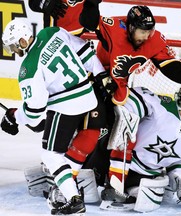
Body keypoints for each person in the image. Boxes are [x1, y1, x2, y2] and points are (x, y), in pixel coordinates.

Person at [79, 3, 181, 201]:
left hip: (119, 91)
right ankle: (73, 172)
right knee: (92, 132)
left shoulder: (152, 40)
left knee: (118, 130)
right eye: (142, 32)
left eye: (150, 31)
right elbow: (87, 22)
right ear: (130, 27)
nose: (147, 36)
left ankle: (109, 181)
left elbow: (168, 66)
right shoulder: (114, 28)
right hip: (93, 86)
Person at [1, 18, 105, 215]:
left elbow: (34, 113)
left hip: (68, 106)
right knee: (74, 141)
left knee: (50, 155)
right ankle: (68, 185)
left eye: (15, 45)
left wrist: (14, 117)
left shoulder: (28, 69)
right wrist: (100, 74)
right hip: (89, 95)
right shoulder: (51, 32)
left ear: (23, 40)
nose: (15, 50)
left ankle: (73, 199)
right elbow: (84, 50)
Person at [100, 86, 181, 211]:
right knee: (121, 136)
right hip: (121, 164)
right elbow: (137, 98)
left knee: (145, 197)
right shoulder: (165, 107)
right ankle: (111, 185)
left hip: (145, 177)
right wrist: (130, 115)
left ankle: (131, 190)